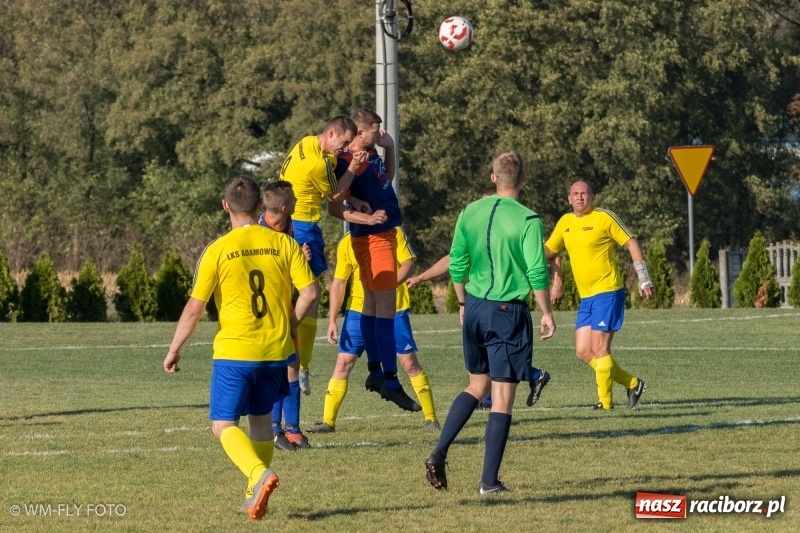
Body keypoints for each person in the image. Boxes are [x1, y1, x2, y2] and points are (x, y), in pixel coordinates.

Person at [163, 176, 319, 520]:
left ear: (225, 206)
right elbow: (310, 292)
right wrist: (291, 323)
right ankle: (253, 494)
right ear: (260, 205)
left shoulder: (217, 249)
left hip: (235, 353)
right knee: (261, 423)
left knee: (222, 426)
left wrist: (174, 348)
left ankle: (258, 474)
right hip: (275, 352)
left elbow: (195, 307)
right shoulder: (284, 243)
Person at [423, 151, 556, 495]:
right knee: (502, 397)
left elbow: (458, 262)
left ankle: (439, 451)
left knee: (477, 384)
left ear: (493, 177)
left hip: (475, 306)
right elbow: (537, 270)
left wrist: (462, 302)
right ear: (522, 179)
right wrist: (546, 312)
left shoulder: (469, 211)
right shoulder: (528, 219)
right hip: (507, 311)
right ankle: (488, 482)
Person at [407, 186, 551, 409]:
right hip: (479, 302)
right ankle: (529, 378)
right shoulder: (479, 226)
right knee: (486, 359)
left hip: (502, 302)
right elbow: (453, 259)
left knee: (494, 360)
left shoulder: (515, 225)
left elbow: (537, 264)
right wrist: (423, 277)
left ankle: (504, 394)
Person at [306, 224, 441, 434]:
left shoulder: (393, 232)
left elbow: (408, 264)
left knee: (409, 363)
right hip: (358, 311)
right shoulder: (348, 241)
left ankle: (431, 418)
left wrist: (387, 286)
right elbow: (339, 283)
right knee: (343, 362)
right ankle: (328, 422)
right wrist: (332, 319)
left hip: (393, 309)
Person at [332, 108, 417, 409]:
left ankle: (375, 372)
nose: (379, 134)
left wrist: (390, 148)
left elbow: (386, 179)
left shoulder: (369, 154)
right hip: (374, 237)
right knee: (386, 310)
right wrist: (365, 215)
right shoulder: (346, 160)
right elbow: (335, 200)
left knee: (371, 306)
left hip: (381, 235)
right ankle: (389, 380)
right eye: (375, 130)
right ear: (359, 132)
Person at [279, 116, 369, 396]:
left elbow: (332, 181)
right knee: (311, 295)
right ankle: (299, 365)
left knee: (290, 292)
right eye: (344, 142)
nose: (345, 148)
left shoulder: (307, 142)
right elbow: (334, 196)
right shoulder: (317, 163)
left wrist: (353, 198)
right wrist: (353, 166)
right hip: (302, 226)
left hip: (286, 221)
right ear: (331, 133)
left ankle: (288, 356)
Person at [545, 180, 651, 410]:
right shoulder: (565, 222)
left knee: (600, 348)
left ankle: (605, 404)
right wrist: (556, 280)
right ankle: (633, 383)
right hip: (587, 298)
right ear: (569, 199)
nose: (579, 197)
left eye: (584, 193)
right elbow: (549, 252)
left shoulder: (604, 217)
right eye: (575, 194)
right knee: (584, 352)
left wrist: (644, 278)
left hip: (608, 292)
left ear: (592, 197)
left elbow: (631, 242)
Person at [257, 180, 313, 451]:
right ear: (283, 207)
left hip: (284, 304)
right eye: (293, 199)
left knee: (292, 363)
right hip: (267, 310)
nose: (296, 202)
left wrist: (298, 258)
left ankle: (292, 429)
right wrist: (294, 258)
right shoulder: (260, 232)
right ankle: (275, 429)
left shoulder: (286, 224)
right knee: (279, 367)